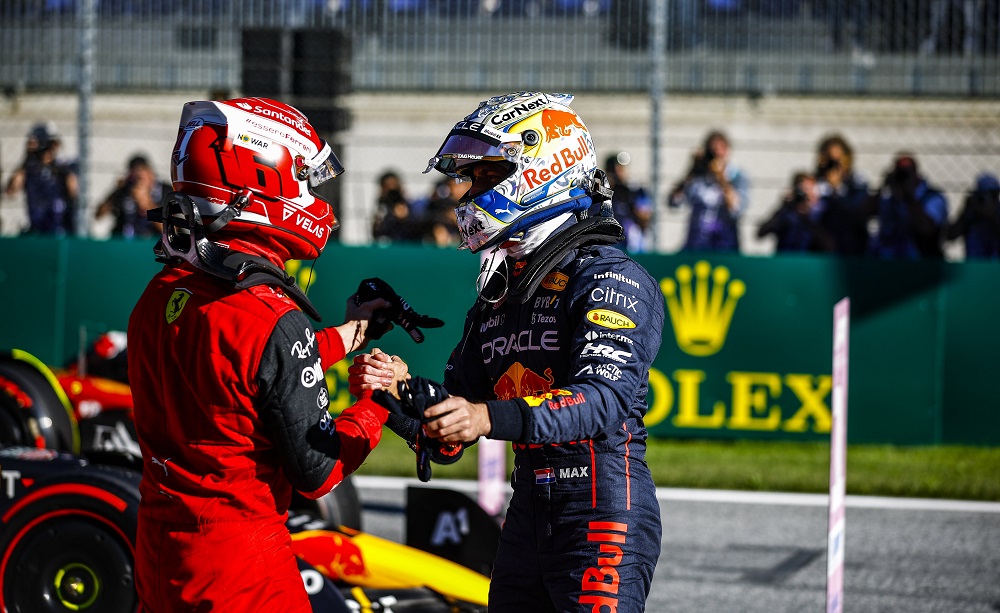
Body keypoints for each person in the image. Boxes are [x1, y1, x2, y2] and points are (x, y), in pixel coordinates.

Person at [352, 91, 665, 612]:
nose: (468, 192)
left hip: (603, 507)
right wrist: (398, 392)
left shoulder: (611, 276)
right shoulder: (501, 289)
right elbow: (451, 436)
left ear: (542, 168)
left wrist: (481, 416)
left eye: (485, 175)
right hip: (527, 515)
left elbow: (603, 399)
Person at [127, 97, 403, 612]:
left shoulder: (160, 293)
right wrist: (376, 403)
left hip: (158, 552)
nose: (312, 195)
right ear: (259, 178)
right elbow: (318, 471)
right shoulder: (270, 316)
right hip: (242, 567)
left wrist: (352, 333)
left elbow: (241, 373)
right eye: (302, 177)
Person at [668, 130, 750, 253]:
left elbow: (737, 209)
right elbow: (674, 202)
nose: (716, 155)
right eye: (713, 152)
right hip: (697, 243)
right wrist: (691, 170)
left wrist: (722, 179)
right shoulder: (698, 177)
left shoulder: (737, 176)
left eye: (720, 151)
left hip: (724, 244)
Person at [867, 153, 949, 260]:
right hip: (887, 261)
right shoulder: (888, 198)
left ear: (916, 174)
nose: (903, 179)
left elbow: (927, 229)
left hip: (922, 263)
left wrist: (909, 197)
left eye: (907, 175)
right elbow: (860, 215)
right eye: (900, 175)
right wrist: (882, 187)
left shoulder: (932, 197)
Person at [3, 121, 79, 236]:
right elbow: (11, 191)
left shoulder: (62, 169)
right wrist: (27, 158)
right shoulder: (29, 169)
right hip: (37, 227)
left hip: (60, 228)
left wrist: (61, 170)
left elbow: (74, 191)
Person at [812, 133, 871, 256]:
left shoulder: (857, 183)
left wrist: (837, 189)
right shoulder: (814, 183)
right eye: (830, 160)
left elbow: (857, 214)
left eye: (838, 160)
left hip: (852, 251)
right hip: (818, 250)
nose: (835, 166)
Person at [95, 153, 170, 239]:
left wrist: (148, 205)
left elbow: (172, 230)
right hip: (125, 241)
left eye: (142, 174)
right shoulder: (124, 191)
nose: (138, 179)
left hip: (155, 243)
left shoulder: (165, 192)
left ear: (150, 174)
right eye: (135, 175)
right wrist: (116, 191)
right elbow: (98, 215)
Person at [757, 171, 836, 253]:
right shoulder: (787, 214)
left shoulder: (821, 214)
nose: (807, 195)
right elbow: (761, 233)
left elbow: (829, 245)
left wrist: (806, 217)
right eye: (803, 191)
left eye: (810, 190)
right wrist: (784, 207)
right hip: (785, 261)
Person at [606, 151, 654, 253]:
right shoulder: (599, 194)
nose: (617, 173)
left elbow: (645, 218)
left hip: (634, 247)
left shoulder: (635, 191)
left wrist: (630, 203)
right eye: (613, 170)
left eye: (621, 168)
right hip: (612, 248)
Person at [946, 172, 1000, 259]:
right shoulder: (971, 213)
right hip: (974, 264)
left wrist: (992, 216)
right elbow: (950, 236)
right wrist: (966, 212)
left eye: (993, 194)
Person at [372, 169, 422, 243]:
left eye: (394, 186)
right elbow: (377, 234)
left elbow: (418, 230)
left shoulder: (411, 206)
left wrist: (406, 217)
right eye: (387, 187)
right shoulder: (382, 209)